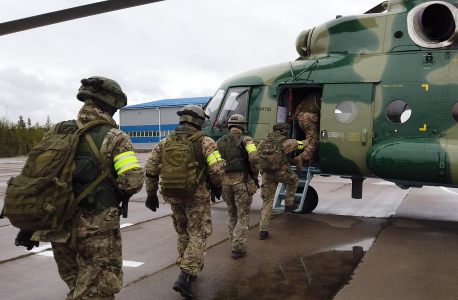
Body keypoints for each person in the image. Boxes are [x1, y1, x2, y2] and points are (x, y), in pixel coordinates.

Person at [14, 76, 144, 300]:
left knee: (76, 286)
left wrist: (30, 225)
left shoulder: (56, 131)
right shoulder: (115, 137)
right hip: (96, 229)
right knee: (95, 292)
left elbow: (34, 178)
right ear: (111, 104)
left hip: (57, 223)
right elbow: (132, 182)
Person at [144, 105, 225, 299]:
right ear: (199, 121)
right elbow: (216, 170)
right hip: (196, 195)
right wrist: (217, 186)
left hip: (173, 195)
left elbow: (151, 169)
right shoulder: (206, 141)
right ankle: (186, 275)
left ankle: (187, 266)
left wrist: (151, 194)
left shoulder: (165, 142)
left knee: (183, 231)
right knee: (199, 233)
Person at [216, 114, 259, 258]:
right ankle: (238, 245)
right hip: (241, 182)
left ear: (229, 126)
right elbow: (254, 157)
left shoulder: (219, 141)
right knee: (243, 215)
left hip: (225, 183)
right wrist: (253, 173)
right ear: (243, 126)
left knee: (232, 214)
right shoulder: (246, 140)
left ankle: (234, 242)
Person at [257, 123, 305, 240]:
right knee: (294, 180)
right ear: (284, 131)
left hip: (267, 175)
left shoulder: (264, 142)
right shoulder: (287, 142)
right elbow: (300, 145)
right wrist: (309, 142)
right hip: (282, 173)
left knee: (267, 201)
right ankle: (289, 204)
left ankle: (263, 230)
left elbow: (256, 154)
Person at [293, 92, 322, 172]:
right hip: (309, 118)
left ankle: (311, 161)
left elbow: (299, 107)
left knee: (310, 139)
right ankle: (301, 158)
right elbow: (323, 112)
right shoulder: (320, 97)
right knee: (314, 141)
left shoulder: (309, 96)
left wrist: (296, 120)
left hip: (301, 118)